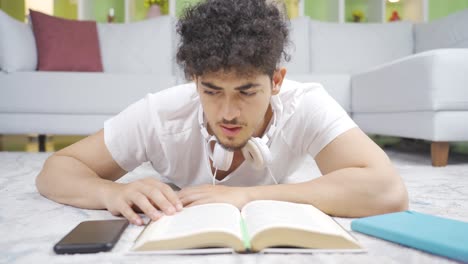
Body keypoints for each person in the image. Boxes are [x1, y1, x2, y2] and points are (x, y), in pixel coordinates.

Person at [36, 0, 408, 226]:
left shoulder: (305, 103)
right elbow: (56, 170)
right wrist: (108, 193)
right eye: (212, 91)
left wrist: (248, 197)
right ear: (194, 80)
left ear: (276, 80)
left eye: (247, 91)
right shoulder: (161, 114)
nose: (228, 112)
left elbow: (389, 190)